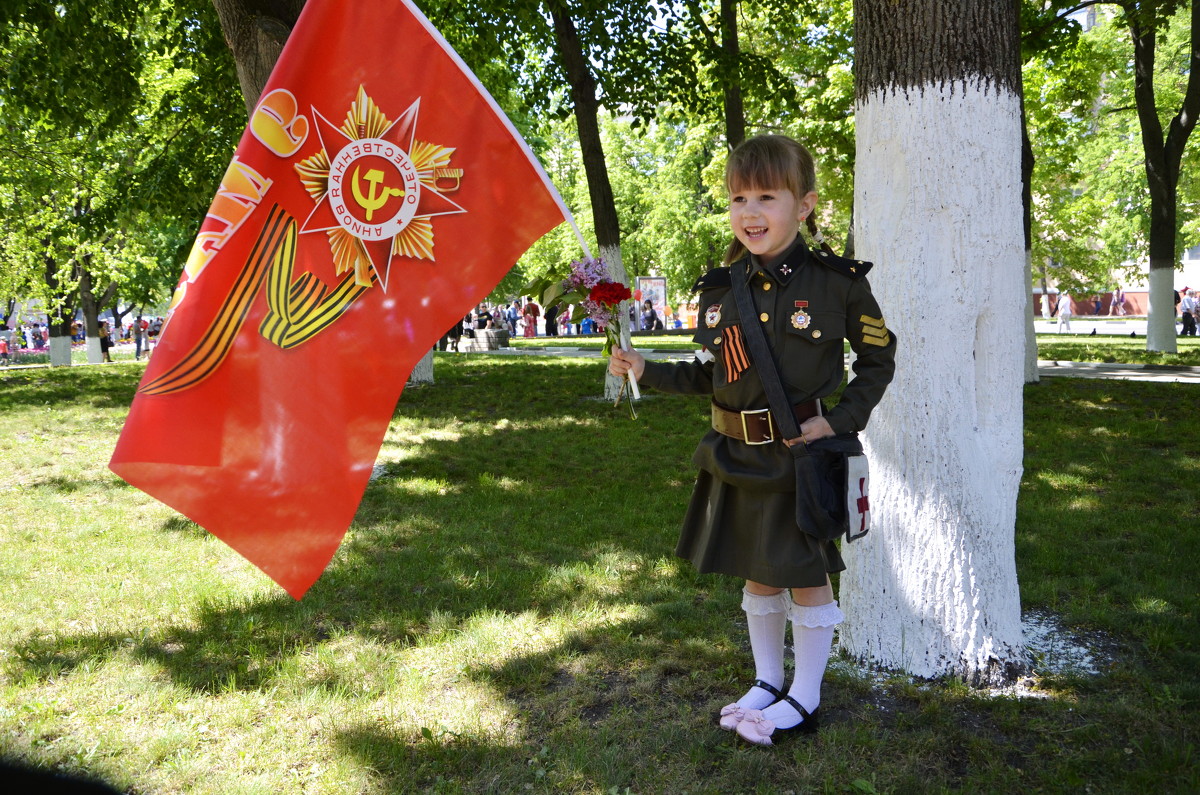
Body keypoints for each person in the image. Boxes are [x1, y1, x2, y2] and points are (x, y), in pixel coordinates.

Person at [609, 134, 896, 747]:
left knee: (804, 573)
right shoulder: (719, 290)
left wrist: (840, 421)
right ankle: (768, 680)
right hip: (736, 454)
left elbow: (878, 360)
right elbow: (709, 374)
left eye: (768, 195)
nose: (751, 211)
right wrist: (644, 370)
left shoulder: (836, 284)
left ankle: (807, 694)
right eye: (740, 198)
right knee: (758, 573)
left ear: (806, 204)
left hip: (800, 457)